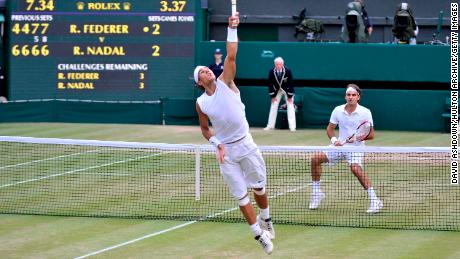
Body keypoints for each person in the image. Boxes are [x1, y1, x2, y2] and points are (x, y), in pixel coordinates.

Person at [194, 12, 275, 255]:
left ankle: (267, 220)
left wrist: (232, 28)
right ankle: (258, 234)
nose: (207, 73)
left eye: (207, 71)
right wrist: (217, 144)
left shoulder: (225, 82)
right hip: (226, 152)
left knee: (259, 188)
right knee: (241, 197)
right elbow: (205, 130)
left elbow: (231, 54)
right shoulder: (201, 103)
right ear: (198, 82)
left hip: (246, 144)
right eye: (202, 73)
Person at [309, 84, 383, 214]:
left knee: (355, 168)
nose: (351, 97)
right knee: (315, 159)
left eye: (353, 95)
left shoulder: (365, 112)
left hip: (356, 147)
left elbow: (371, 135)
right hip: (339, 146)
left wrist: (356, 139)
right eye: (348, 95)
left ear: (358, 97)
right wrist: (334, 140)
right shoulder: (338, 110)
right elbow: (330, 129)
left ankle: (375, 200)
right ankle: (316, 193)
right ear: (345, 96)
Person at [263, 57, 296, 131]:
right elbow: (270, 84)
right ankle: (270, 126)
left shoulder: (288, 71)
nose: (278, 66)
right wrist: (272, 96)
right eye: (276, 64)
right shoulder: (271, 71)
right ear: (274, 64)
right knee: (273, 105)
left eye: (279, 64)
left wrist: (290, 96)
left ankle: (292, 127)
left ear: (282, 64)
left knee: (290, 106)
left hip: (287, 90)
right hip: (276, 90)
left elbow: (291, 83)